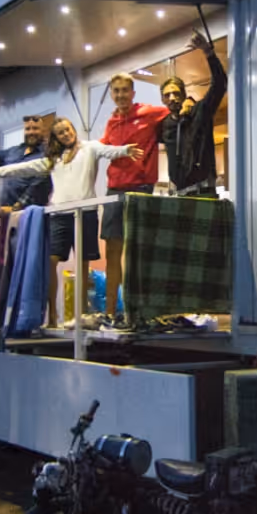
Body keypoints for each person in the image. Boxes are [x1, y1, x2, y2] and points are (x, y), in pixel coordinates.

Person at [0, 116, 143, 327]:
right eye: (61, 132)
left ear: (73, 130)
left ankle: (80, 316)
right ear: (56, 137)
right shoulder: (54, 159)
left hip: (85, 213)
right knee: (52, 261)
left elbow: (109, 151)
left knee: (82, 265)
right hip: (60, 214)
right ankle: (52, 317)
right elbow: (22, 168)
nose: (66, 134)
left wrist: (125, 150)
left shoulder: (90, 147)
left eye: (68, 130)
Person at [99, 73, 168, 326]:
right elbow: (103, 148)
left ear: (133, 92)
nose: (121, 95)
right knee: (113, 251)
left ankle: (137, 311)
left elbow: (174, 112)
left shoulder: (150, 112)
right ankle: (109, 312)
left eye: (125, 90)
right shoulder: (111, 121)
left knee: (139, 252)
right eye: (116, 91)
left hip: (140, 189)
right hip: (114, 189)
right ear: (112, 95)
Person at [159, 27, 226, 197]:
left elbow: (219, 84)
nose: (172, 97)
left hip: (204, 190)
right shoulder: (165, 124)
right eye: (167, 95)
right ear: (162, 100)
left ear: (183, 93)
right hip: (179, 194)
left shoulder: (200, 111)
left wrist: (208, 52)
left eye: (175, 92)